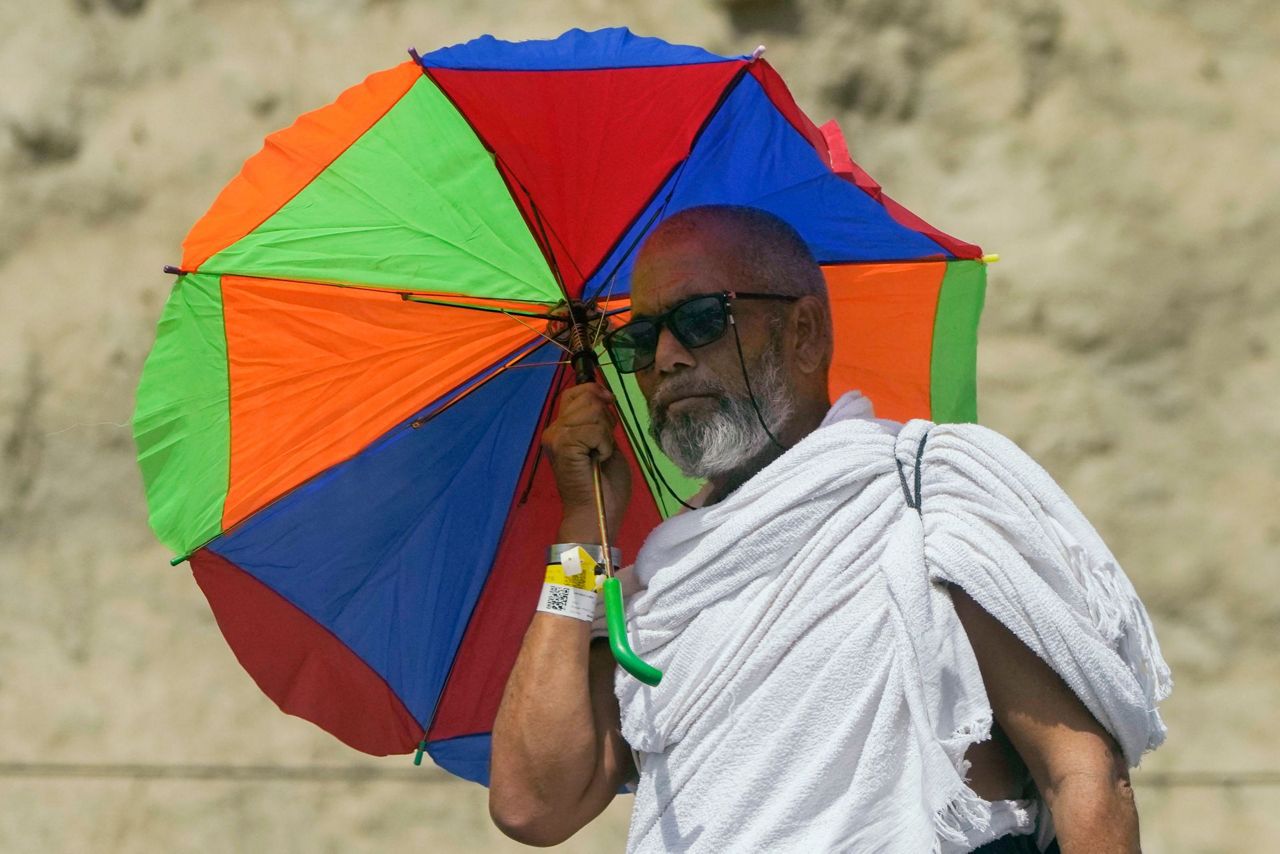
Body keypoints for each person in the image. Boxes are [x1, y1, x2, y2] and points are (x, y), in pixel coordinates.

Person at [488, 205, 1170, 853]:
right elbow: (532, 804)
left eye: (700, 319)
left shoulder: (923, 498)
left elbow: (1080, 774)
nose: (665, 357)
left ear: (805, 332)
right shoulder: (666, 587)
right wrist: (581, 532)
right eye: (639, 338)